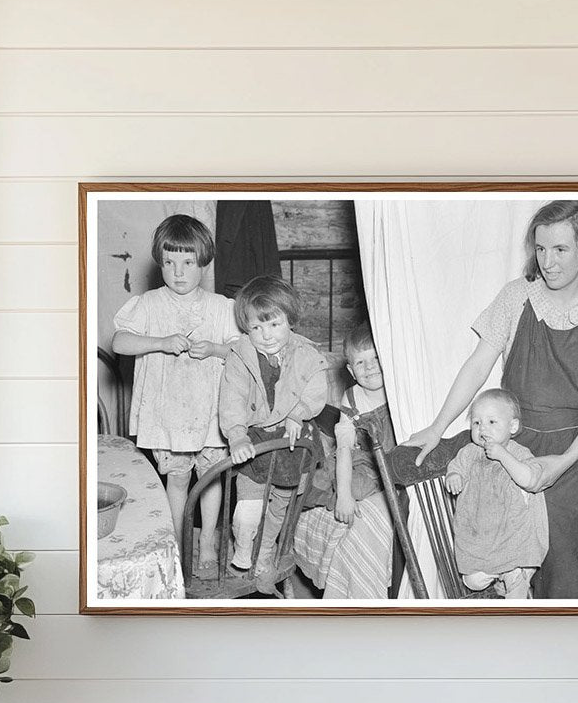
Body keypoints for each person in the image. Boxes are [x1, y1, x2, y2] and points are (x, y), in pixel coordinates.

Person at [408, 199, 578, 600]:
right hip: (513, 451)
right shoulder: (517, 296)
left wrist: (563, 462)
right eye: (540, 249)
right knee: (508, 571)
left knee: (573, 577)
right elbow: (478, 364)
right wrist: (437, 427)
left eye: (560, 249)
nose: (547, 262)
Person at [110, 214, 239, 573]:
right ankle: (179, 540)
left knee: (210, 476)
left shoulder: (220, 307)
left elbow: (241, 350)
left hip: (210, 409)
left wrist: (214, 349)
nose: (178, 272)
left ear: (204, 262)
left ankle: (209, 539)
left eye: (187, 262)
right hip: (168, 411)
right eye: (169, 262)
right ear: (160, 262)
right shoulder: (149, 304)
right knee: (178, 477)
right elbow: (120, 341)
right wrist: (161, 342)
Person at [219, 275, 328, 583]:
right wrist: (237, 433)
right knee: (247, 509)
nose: (266, 335)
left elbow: (318, 386)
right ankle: (243, 545)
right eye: (257, 327)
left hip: (291, 439)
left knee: (280, 505)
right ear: (246, 328)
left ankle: (265, 552)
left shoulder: (306, 354)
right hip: (255, 439)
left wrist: (299, 413)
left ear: (290, 321)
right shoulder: (240, 357)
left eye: (274, 325)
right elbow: (232, 399)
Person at [294, 323, 399, 599]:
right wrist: (343, 496)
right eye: (360, 362)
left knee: (366, 489)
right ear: (351, 370)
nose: (370, 367)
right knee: (321, 481)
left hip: (392, 463)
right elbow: (343, 449)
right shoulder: (351, 397)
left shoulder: (400, 392)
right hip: (361, 460)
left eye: (375, 358)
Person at [445, 388, 548, 599]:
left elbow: (527, 477)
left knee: (516, 570)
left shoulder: (519, 453)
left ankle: (514, 578)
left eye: (492, 422)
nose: (482, 428)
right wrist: (453, 477)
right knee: (472, 581)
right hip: (480, 533)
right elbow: (456, 468)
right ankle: (501, 574)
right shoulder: (469, 452)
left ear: (512, 426)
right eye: (476, 423)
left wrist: (502, 455)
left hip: (510, 532)